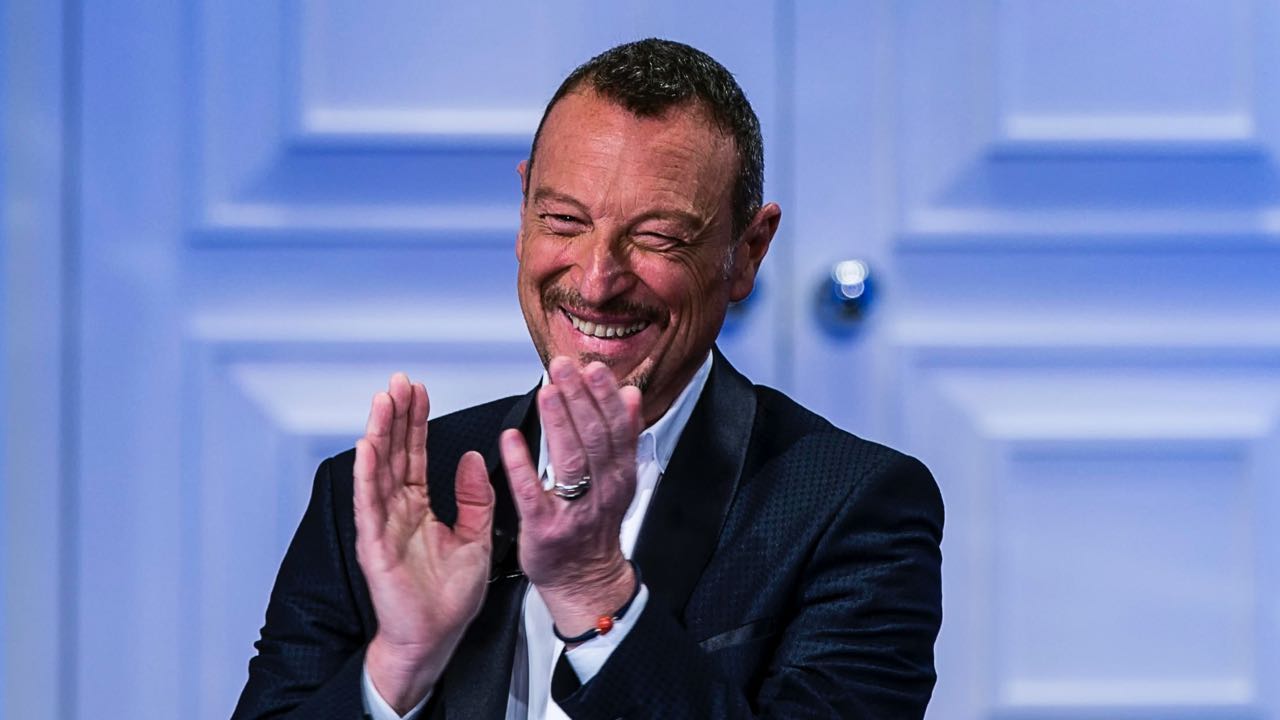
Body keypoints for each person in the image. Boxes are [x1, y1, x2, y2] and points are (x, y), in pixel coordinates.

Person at [232, 38, 943, 720]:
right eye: (564, 220)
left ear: (748, 251)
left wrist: (598, 598)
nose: (598, 280)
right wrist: (398, 669)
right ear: (523, 215)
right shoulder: (385, 495)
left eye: (658, 237)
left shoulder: (855, 508)